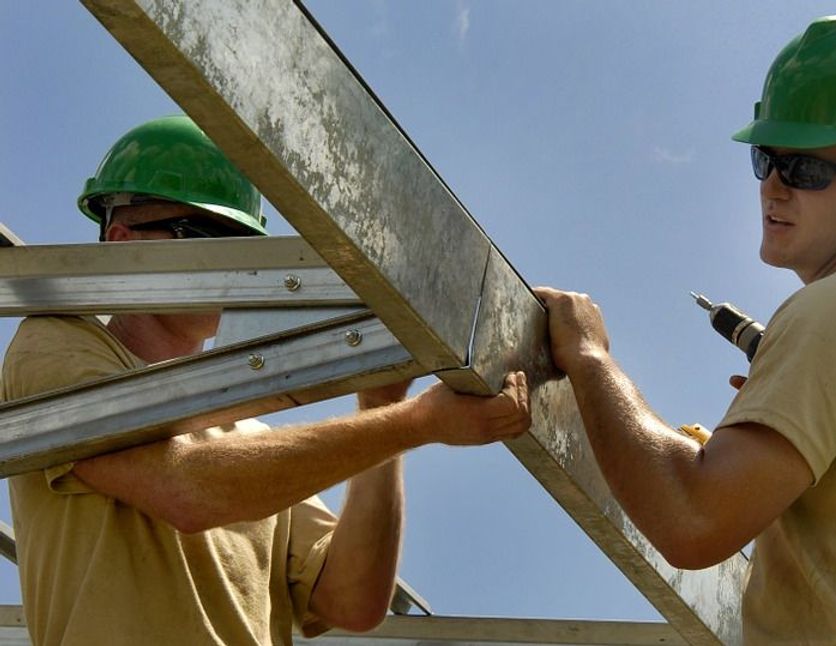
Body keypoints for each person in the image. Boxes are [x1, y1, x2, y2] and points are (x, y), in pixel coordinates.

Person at [536, 16, 836, 644]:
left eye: (807, 170)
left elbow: (692, 519)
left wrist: (589, 357)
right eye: (766, 158)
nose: (773, 186)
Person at [2, 115, 532, 645]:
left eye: (243, 243)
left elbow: (351, 599)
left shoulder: (247, 439)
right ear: (123, 242)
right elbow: (185, 489)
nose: (235, 264)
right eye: (208, 236)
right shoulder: (58, 344)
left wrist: (380, 405)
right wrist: (414, 424)